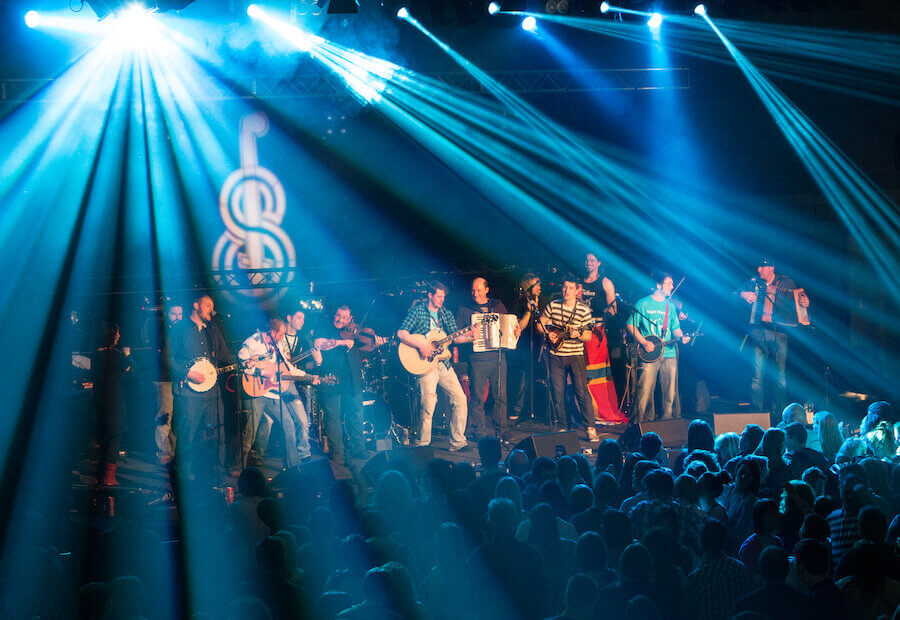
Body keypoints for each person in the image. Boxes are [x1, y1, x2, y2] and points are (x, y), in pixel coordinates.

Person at [396, 282, 471, 451]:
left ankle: (457, 442)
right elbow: (401, 333)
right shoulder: (418, 311)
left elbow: (455, 338)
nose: (441, 300)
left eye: (443, 297)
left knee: (460, 399)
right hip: (424, 364)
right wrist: (421, 346)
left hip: (443, 363)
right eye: (438, 296)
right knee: (429, 402)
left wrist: (471, 336)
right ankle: (422, 445)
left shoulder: (446, 314)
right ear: (430, 295)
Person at [168, 293, 234, 480]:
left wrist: (246, 361)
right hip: (190, 393)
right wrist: (187, 373)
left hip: (213, 392)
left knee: (217, 433)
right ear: (195, 305)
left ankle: (217, 475)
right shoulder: (179, 329)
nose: (211, 309)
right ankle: (183, 476)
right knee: (188, 434)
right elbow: (166, 357)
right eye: (207, 305)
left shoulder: (213, 329)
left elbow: (225, 356)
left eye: (212, 306)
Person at [238, 319, 317, 474]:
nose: (282, 337)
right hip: (256, 389)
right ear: (273, 332)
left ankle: (293, 466)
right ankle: (238, 466)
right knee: (251, 431)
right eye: (280, 334)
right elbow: (241, 362)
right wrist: (261, 372)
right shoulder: (254, 341)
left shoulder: (277, 346)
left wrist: (308, 376)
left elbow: (288, 368)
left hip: (272, 392)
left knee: (288, 424)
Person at [314, 304, 384, 471]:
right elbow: (319, 343)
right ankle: (337, 452)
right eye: (338, 315)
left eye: (344, 317)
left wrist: (375, 344)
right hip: (330, 378)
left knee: (356, 414)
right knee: (333, 417)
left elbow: (364, 349)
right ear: (334, 313)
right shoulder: (324, 324)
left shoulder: (355, 334)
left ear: (350, 319)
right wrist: (344, 342)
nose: (340, 320)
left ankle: (358, 448)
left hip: (352, 379)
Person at [739, 259, 810, 414]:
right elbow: (732, 293)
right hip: (758, 333)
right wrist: (743, 294)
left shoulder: (786, 283)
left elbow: (800, 300)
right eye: (758, 266)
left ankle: (779, 413)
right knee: (757, 376)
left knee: (780, 376)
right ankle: (756, 413)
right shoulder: (753, 283)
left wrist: (805, 302)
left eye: (762, 266)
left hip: (779, 334)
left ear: (771, 267)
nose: (758, 269)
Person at [456, 277, 515, 440]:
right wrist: (470, 334)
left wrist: (515, 333)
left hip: (498, 356)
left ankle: (502, 429)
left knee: (500, 395)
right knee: (477, 396)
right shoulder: (465, 309)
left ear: (487, 290)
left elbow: (508, 327)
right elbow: (457, 334)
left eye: (479, 290)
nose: (475, 293)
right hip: (476, 358)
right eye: (473, 290)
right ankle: (478, 431)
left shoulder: (497, 305)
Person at [626, 271, 690, 422]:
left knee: (670, 392)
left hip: (669, 353)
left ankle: (667, 421)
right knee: (645, 390)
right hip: (650, 353)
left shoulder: (670, 306)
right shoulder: (643, 303)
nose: (671, 287)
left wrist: (682, 337)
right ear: (658, 285)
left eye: (672, 284)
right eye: (668, 283)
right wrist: (643, 341)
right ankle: (641, 422)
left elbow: (675, 329)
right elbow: (630, 325)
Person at [539, 277, 597, 440]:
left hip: (575, 356)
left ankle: (590, 427)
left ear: (577, 290)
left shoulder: (583, 310)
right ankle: (564, 426)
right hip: (555, 355)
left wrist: (578, 334)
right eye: (564, 287)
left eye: (570, 288)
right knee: (558, 392)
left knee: (581, 392)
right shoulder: (554, 305)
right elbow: (541, 322)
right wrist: (547, 333)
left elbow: (588, 335)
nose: (566, 291)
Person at [580, 253, 627, 425]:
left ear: (599, 263)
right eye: (587, 260)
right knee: (580, 374)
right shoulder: (578, 283)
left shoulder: (605, 283)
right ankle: (584, 412)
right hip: (578, 332)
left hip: (596, 333)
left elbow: (613, 310)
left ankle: (600, 411)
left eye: (592, 260)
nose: (589, 263)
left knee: (596, 374)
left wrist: (607, 311)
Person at [93, 322, 133, 486]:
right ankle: (109, 478)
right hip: (114, 402)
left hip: (100, 401)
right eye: (116, 333)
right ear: (111, 335)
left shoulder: (96, 354)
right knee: (115, 438)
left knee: (105, 439)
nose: (119, 336)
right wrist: (128, 355)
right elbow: (132, 372)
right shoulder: (115, 355)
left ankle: (99, 475)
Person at [509, 273, 543, 422]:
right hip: (523, 345)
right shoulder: (519, 303)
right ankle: (517, 408)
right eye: (537, 285)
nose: (540, 288)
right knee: (523, 376)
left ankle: (535, 407)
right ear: (530, 288)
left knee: (535, 376)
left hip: (538, 343)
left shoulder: (542, 301)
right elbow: (519, 326)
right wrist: (528, 311)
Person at [153, 304, 182, 465]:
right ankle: (163, 452)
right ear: (167, 315)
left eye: (180, 313)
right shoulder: (163, 332)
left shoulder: (182, 332)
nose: (178, 317)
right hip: (164, 379)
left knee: (176, 418)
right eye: (174, 313)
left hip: (179, 380)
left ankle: (173, 452)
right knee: (164, 416)